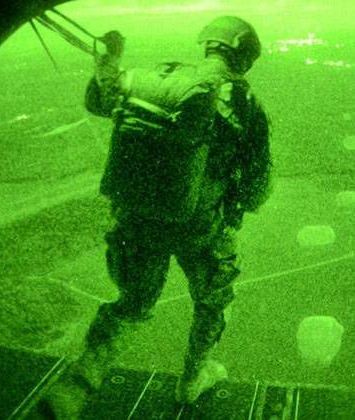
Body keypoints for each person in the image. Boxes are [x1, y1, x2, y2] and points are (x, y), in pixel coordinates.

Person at [40, 16, 271, 418]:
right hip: (200, 229)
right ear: (246, 59)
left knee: (130, 305)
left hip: (138, 220)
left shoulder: (158, 80)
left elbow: (99, 101)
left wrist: (109, 61)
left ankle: (74, 388)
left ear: (207, 46)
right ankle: (192, 379)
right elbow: (257, 188)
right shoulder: (244, 103)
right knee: (213, 303)